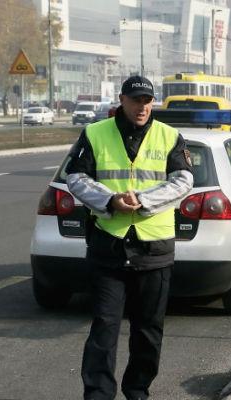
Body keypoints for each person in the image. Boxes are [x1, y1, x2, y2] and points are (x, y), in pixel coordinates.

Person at [65, 75, 193, 400]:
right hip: (109, 246)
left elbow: (184, 180)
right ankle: (98, 394)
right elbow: (76, 177)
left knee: (148, 332)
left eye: (148, 101)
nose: (142, 107)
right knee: (104, 329)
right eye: (136, 100)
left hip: (154, 250)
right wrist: (110, 200)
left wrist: (145, 201)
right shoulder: (95, 133)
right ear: (122, 100)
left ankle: (137, 391)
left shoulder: (169, 136)